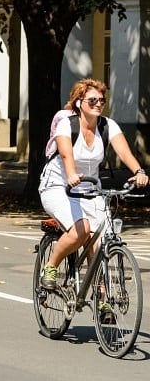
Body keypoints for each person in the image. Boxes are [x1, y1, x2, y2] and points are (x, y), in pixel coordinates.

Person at [38, 78, 147, 298]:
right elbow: (67, 153)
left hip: (90, 189)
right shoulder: (66, 124)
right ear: (79, 102)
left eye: (102, 100)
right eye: (92, 100)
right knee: (82, 229)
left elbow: (125, 153)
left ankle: (101, 296)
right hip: (58, 186)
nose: (98, 104)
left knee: (101, 241)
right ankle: (50, 267)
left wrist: (139, 172)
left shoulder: (108, 126)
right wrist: (70, 174)